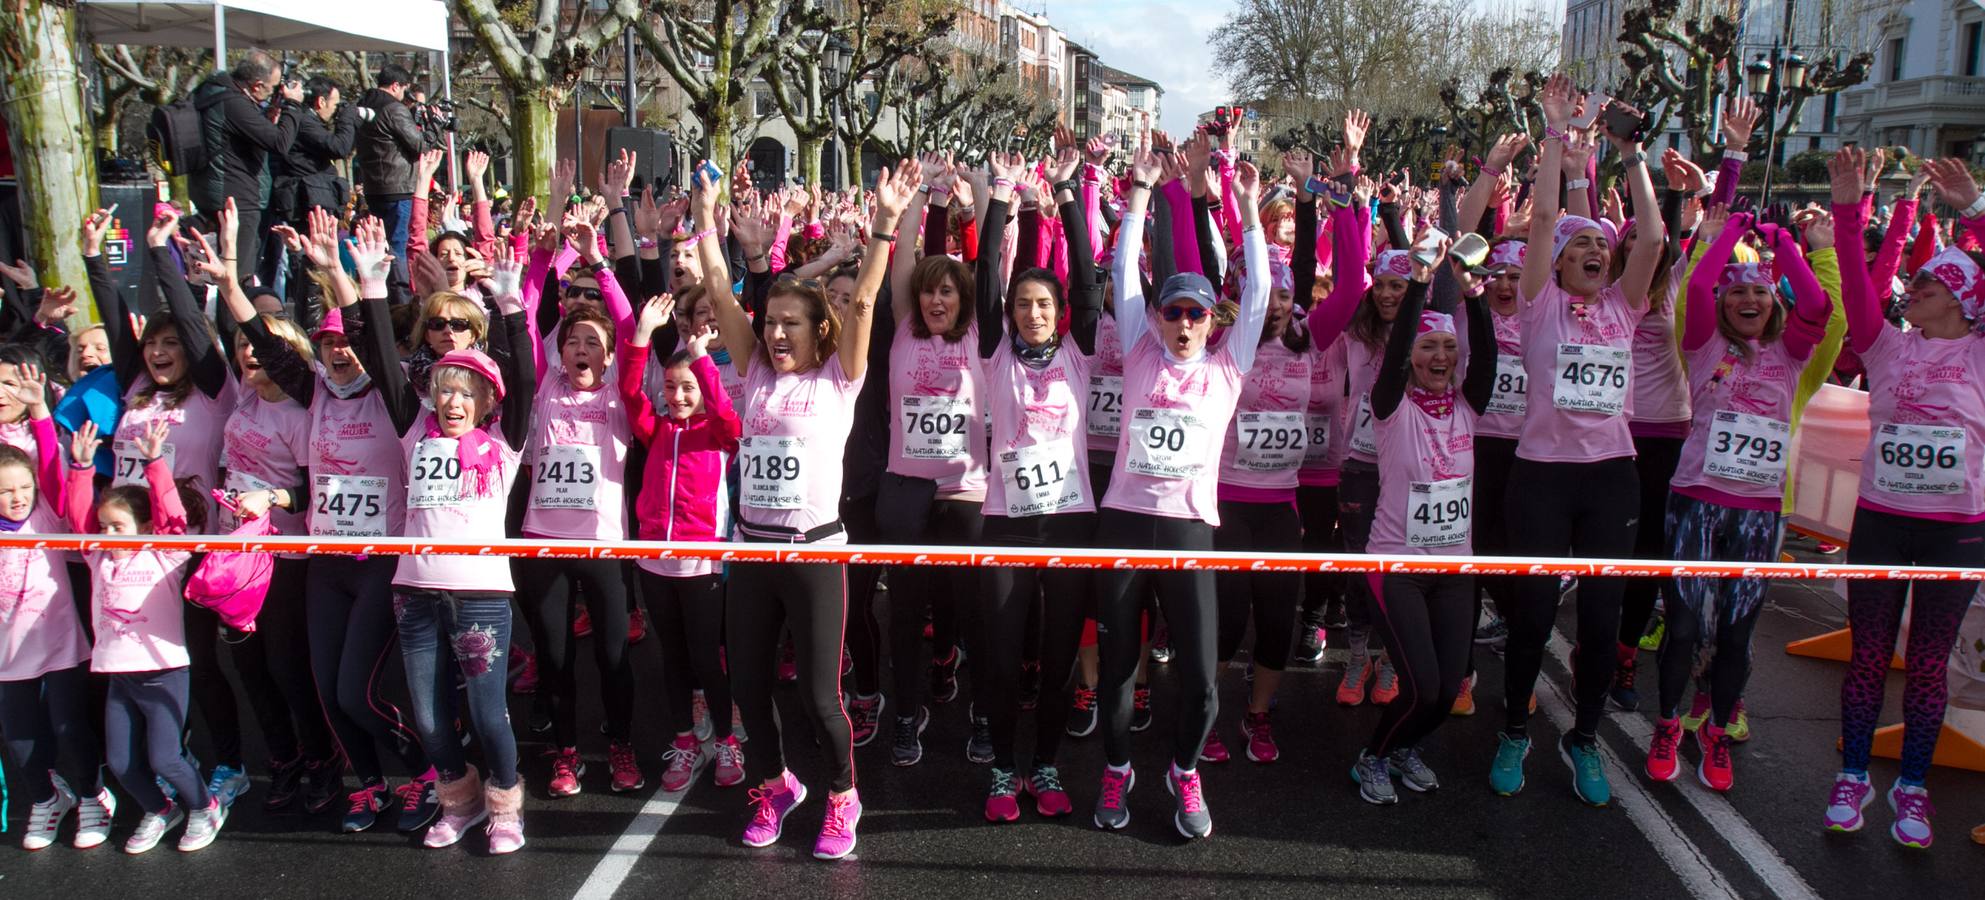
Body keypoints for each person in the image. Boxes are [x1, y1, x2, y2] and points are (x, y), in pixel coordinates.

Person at [700, 159, 906, 861]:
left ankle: (842, 797)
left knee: (823, 699)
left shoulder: (839, 380)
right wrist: (704, 221)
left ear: (820, 332)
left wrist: (882, 226)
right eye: (773, 323)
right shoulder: (753, 371)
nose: (777, 334)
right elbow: (723, 299)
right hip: (754, 552)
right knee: (747, 689)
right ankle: (775, 784)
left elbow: (869, 302)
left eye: (792, 324)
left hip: (815, 551)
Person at [1490, 76, 1668, 809]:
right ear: (1559, 264)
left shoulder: (1623, 309)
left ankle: (1584, 737)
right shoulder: (1537, 308)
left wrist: (1629, 153)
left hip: (1609, 478)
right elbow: (1538, 226)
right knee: (1531, 619)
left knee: (1599, 625)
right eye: (1583, 245)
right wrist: (1556, 137)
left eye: (1602, 244)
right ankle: (1511, 729)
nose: (1597, 249)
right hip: (1540, 475)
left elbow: (1651, 238)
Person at [238, 207, 443, 833]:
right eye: (329, 346)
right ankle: (371, 785)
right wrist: (227, 282)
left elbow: (371, 333)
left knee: (357, 689)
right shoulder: (314, 390)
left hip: (380, 563)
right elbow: (270, 350)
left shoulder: (393, 391)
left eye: (348, 345)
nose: (340, 354)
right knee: (329, 693)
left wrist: (340, 275)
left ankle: (429, 770)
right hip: (327, 564)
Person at [1091, 138, 1270, 840]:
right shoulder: (1139, 345)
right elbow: (1123, 272)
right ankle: (1115, 768)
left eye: (1197, 314)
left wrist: (1249, 209)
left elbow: (1255, 293)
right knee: (1117, 670)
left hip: (1192, 528)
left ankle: (1183, 770)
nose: (1186, 324)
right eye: (1175, 313)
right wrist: (1137, 195)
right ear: (1158, 317)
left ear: (1211, 321)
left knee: (1199, 676)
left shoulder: (1228, 368)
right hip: (1125, 523)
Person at [345, 217, 537, 854]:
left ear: (487, 403)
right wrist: (374, 285)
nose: (453, 403)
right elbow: (382, 363)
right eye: (443, 391)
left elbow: (529, 384)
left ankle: (505, 805)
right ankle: (458, 799)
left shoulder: (504, 442)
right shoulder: (413, 429)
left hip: (482, 595)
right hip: (415, 593)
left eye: (467, 394)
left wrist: (511, 305)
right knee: (428, 718)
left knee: (487, 713)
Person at [1820, 149, 1985, 849]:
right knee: (1867, 658)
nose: (1910, 287)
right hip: (1882, 524)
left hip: (1956, 532)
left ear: (1957, 294)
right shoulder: (1883, 346)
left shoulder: (1980, 353)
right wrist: (1850, 205)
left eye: (1924, 280)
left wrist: (1974, 211)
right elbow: (1858, 285)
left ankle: (1912, 789)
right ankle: (1852, 776)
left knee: (1927, 665)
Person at [1644, 206, 1831, 793]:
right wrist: (1731, 232)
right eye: (1737, 292)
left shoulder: (1793, 353)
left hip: (1758, 511)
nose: (1747, 299)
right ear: (1723, 305)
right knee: (1682, 627)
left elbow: (1820, 306)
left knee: (1736, 632)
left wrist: (1784, 244)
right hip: (1696, 500)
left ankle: (1718, 729)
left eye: (1760, 291)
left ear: (1775, 302)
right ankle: (1668, 723)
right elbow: (1698, 284)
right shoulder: (1701, 344)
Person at [973, 146, 1101, 820]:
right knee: (999, 658)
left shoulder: (1078, 353)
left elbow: (1086, 282)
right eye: (1021, 304)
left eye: (1041, 304)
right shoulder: (995, 355)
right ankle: (1000, 768)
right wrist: (999, 198)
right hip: (1007, 522)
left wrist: (1069, 195)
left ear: (1057, 312)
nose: (1031, 313)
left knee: (1056, 658)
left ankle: (1045, 763)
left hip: (1070, 519)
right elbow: (981, 283)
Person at [1347, 237, 1495, 804]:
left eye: (1447, 350)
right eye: (1427, 348)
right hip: (1397, 567)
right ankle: (1373, 757)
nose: (1439, 359)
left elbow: (1487, 357)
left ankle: (1406, 748)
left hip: (1455, 569)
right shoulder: (1391, 406)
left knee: (1448, 688)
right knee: (1421, 686)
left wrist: (1476, 294)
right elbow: (1400, 347)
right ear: (1409, 355)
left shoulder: (1466, 404)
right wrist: (1418, 283)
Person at [65, 420, 221, 853]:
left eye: (119, 527)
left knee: (165, 758)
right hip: (120, 676)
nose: (109, 535)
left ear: (144, 526)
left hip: (164, 672)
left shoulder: (164, 555)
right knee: (121, 763)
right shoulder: (100, 559)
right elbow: (79, 525)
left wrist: (155, 464)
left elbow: (173, 519)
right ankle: (160, 809)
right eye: (105, 527)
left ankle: (204, 805)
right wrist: (79, 470)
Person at [620, 294, 747, 793]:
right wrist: (641, 336)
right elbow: (632, 394)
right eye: (670, 387)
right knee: (670, 660)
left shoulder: (718, 433)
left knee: (706, 659)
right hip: (655, 564)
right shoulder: (656, 430)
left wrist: (700, 359)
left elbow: (728, 414)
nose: (677, 395)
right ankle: (684, 739)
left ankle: (727, 741)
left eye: (687, 387)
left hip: (703, 565)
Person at [0, 374, 111, 851]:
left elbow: (49, 467)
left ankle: (92, 795)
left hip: (60, 640)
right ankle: (48, 799)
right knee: (22, 743)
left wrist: (42, 414)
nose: (19, 497)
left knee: (70, 729)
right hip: (9, 654)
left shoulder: (45, 510)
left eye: (23, 487)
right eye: (7, 491)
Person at [191, 49, 301, 288]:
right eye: (272, 89)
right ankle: (235, 325)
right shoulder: (232, 103)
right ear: (256, 85)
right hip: (236, 198)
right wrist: (292, 105)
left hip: (216, 191)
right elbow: (279, 143)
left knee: (228, 272)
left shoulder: (212, 93)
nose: (273, 94)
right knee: (237, 276)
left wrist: (265, 121)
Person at [355, 64, 428, 290]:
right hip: (398, 187)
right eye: (404, 90)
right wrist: (431, 128)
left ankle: (380, 292)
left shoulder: (363, 105)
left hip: (375, 186)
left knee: (380, 245)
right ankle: (402, 296)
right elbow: (419, 144)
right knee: (399, 246)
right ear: (396, 86)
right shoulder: (393, 108)